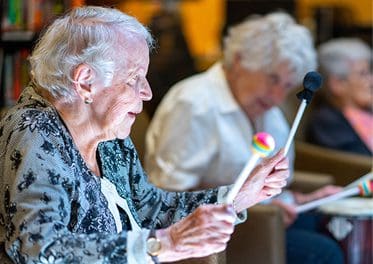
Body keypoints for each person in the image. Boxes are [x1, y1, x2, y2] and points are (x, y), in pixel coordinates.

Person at [0, 6, 291, 264]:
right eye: (134, 79)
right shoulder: (34, 133)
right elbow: (37, 249)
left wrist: (237, 196)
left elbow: (150, 208)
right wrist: (162, 245)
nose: (147, 92)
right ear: (86, 82)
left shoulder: (109, 137)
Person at [145, 12, 344, 263]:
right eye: (272, 79)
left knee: (333, 228)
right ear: (239, 60)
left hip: (266, 219)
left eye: (286, 85)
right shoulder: (194, 104)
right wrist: (254, 207)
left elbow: (272, 188)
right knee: (324, 251)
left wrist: (305, 199)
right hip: (222, 233)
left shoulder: (267, 111)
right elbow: (168, 195)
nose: (277, 96)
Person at [306, 38, 373, 156]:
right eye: (363, 74)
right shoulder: (327, 122)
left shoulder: (367, 110)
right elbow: (359, 162)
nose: (371, 81)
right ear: (337, 84)